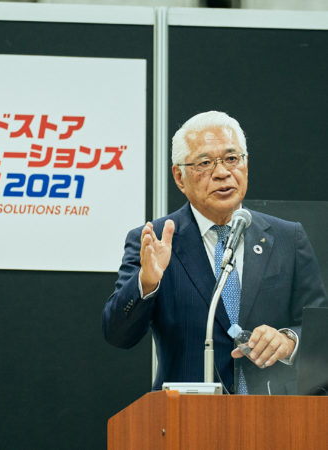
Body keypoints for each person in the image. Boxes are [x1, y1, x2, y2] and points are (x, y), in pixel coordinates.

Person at [102, 111, 327, 394]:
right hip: (188, 413)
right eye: (205, 163)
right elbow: (118, 335)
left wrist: (290, 340)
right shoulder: (154, 240)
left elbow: (321, 330)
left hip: (274, 411)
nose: (222, 173)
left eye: (232, 159)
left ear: (246, 164)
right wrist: (146, 283)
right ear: (180, 177)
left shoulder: (287, 238)